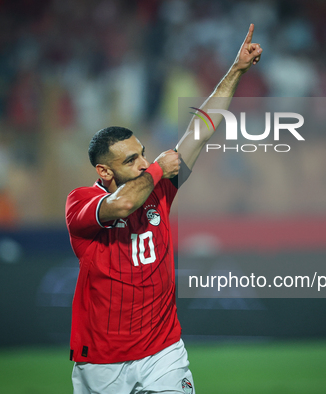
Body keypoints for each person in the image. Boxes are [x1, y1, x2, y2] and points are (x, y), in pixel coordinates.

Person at [65, 24, 262, 394]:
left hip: (163, 351)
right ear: (104, 171)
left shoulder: (160, 192)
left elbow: (201, 131)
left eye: (142, 153)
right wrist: (157, 168)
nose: (142, 163)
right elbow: (122, 204)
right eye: (131, 160)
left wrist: (235, 70)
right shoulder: (81, 202)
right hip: (102, 362)